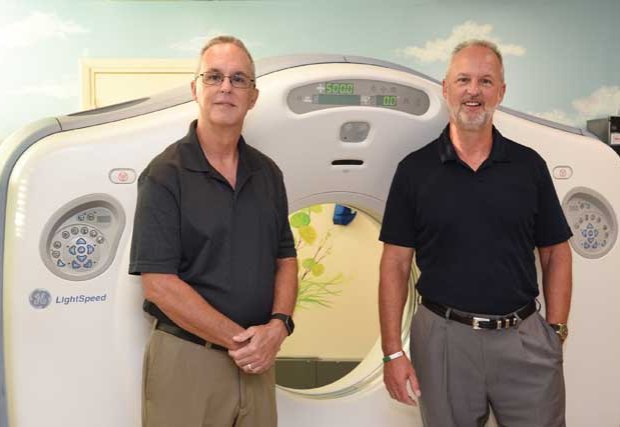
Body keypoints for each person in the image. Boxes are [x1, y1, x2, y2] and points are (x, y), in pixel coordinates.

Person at [378, 39, 572, 427]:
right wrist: (392, 353)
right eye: (463, 79)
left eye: (485, 81)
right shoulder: (414, 171)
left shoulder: (528, 167)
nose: (473, 91)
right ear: (446, 88)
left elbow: (556, 252)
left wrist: (555, 331)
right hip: (444, 340)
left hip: (523, 337)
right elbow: (395, 265)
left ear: (500, 92)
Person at [129, 35, 298, 427]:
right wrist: (243, 342)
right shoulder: (165, 174)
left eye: (239, 79)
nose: (226, 87)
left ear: (253, 96)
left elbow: (286, 260)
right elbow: (159, 284)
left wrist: (279, 326)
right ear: (195, 89)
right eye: (214, 77)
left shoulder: (267, 173)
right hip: (190, 359)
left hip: (258, 362)